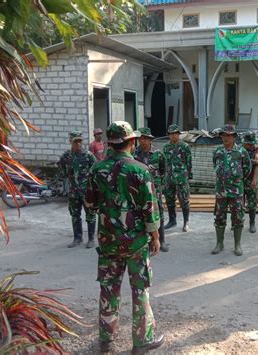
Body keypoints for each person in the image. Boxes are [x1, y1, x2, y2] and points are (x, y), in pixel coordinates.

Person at [84, 121, 164, 354]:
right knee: (140, 290)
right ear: (131, 142)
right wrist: (156, 236)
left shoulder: (96, 169)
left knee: (108, 288)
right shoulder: (140, 170)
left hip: (109, 242)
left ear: (110, 143)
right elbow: (150, 208)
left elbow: (89, 204)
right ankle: (142, 341)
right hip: (136, 243)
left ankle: (106, 338)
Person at [212, 125, 251, 256]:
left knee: (238, 218)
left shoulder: (241, 151)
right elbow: (215, 165)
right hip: (221, 190)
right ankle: (219, 243)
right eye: (223, 135)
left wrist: (237, 180)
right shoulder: (217, 151)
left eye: (229, 135)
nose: (226, 138)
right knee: (219, 217)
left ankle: (237, 245)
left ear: (234, 137)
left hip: (236, 191)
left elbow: (247, 169)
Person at [58, 131, 97, 248]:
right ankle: (77, 238)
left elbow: (95, 172)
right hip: (73, 192)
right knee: (75, 214)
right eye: (76, 141)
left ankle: (91, 239)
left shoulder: (88, 155)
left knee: (90, 214)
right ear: (70, 141)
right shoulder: (65, 157)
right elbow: (62, 172)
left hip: (87, 192)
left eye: (80, 141)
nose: (78, 144)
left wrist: (94, 189)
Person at [134, 127, 168, 252]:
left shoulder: (158, 154)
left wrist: (159, 186)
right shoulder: (134, 154)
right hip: (138, 190)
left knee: (159, 213)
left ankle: (162, 240)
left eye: (146, 139)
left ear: (150, 140)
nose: (143, 141)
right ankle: (145, 241)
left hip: (155, 189)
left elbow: (164, 171)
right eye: (141, 138)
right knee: (141, 213)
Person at [163, 124, 192, 232]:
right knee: (169, 199)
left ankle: (186, 222)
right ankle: (172, 221)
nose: (173, 136)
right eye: (171, 134)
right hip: (169, 177)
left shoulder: (184, 146)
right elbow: (164, 162)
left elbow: (189, 162)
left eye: (175, 134)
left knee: (184, 200)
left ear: (178, 135)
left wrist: (188, 176)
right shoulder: (166, 147)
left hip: (181, 177)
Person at [242, 132, 258, 233]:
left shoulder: (256, 149)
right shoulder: (239, 149)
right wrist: (252, 161)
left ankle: (252, 223)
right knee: (238, 204)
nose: (251, 146)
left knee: (252, 203)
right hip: (239, 180)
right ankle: (237, 223)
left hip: (251, 180)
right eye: (248, 144)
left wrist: (254, 180)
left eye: (252, 144)